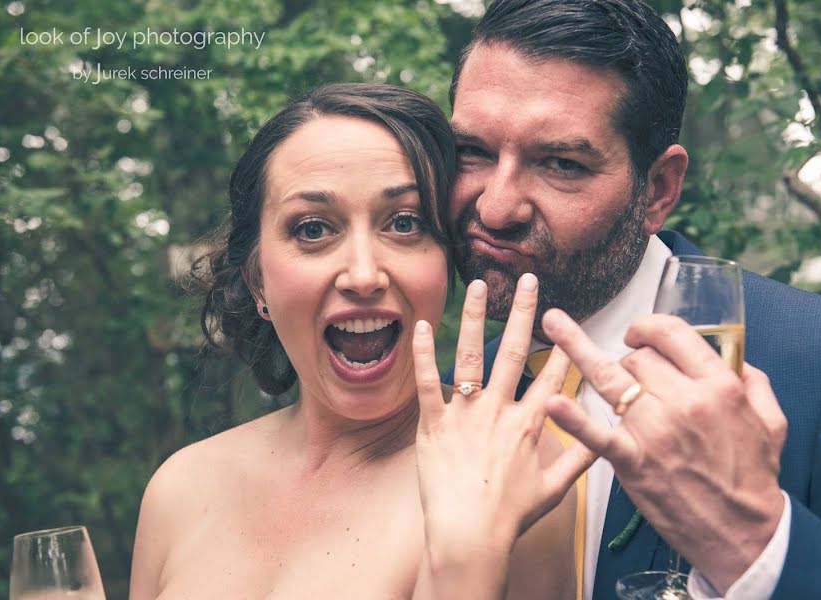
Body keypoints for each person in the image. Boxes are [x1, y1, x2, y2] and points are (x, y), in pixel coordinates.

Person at [443, 0, 821, 598]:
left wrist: (750, 541)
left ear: (657, 190)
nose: (496, 208)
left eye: (560, 164)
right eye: (472, 152)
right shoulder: (456, 391)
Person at [128, 83, 582, 599]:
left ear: (446, 264)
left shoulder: (504, 463)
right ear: (258, 280)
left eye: (405, 223)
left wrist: (465, 557)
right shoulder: (179, 488)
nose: (363, 275)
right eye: (314, 229)